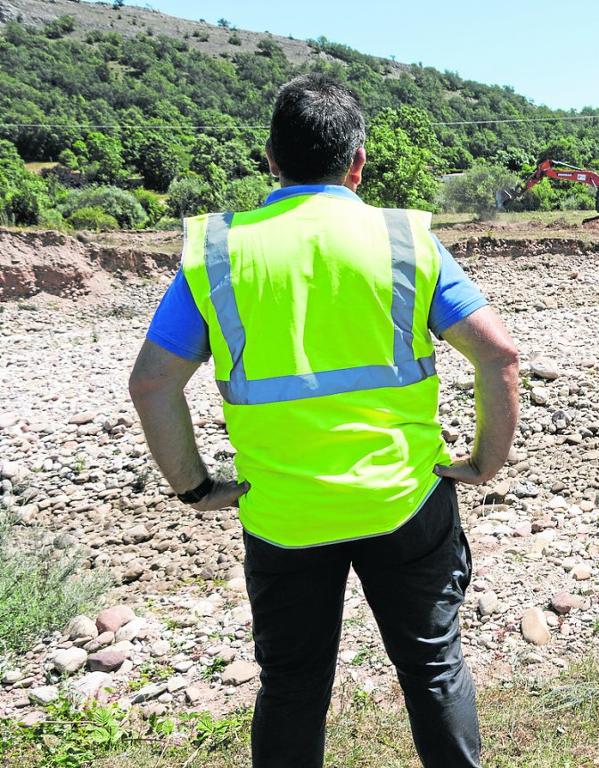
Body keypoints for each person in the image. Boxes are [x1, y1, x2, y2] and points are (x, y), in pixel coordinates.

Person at [128, 74, 519, 768]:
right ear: (359, 162)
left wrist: (194, 487)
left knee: (293, 684)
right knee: (431, 669)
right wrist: (486, 461)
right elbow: (498, 354)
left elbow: (153, 383)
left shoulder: (219, 252)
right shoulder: (405, 239)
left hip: (283, 512)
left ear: (270, 159)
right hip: (405, 499)